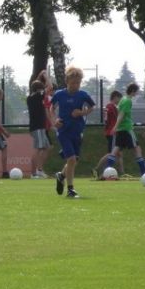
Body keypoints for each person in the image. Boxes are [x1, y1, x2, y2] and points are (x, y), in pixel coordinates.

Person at [50, 67, 95, 198]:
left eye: (78, 83)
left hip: (77, 131)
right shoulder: (59, 94)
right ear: (67, 81)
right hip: (64, 131)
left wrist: (81, 112)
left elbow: (92, 107)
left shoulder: (83, 95)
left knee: (74, 161)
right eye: (73, 82)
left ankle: (61, 176)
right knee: (71, 159)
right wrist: (54, 120)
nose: (76, 85)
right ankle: (70, 189)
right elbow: (51, 108)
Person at [105, 83, 145, 176]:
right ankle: (144, 171)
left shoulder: (123, 99)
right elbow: (121, 114)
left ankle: (107, 170)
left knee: (116, 148)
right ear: (133, 91)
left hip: (120, 129)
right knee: (137, 149)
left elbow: (119, 112)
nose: (137, 93)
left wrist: (116, 127)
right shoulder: (127, 101)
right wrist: (115, 127)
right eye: (137, 91)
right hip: (127, 128)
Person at [92, 91, 124, 179]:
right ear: (115, 97)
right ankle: (97, 169)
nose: (120, 101)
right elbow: (112, 119)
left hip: (111, 132)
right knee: (111, 153)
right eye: (119, 99)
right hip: (112, 132)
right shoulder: (111, 107)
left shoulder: (109, 107)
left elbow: (106, 119)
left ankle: (122, 173)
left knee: (119, 154)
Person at [27, 79, 50, 179]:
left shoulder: (30, 97)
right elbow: (50, 87)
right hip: (38, 127)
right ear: (38, 89)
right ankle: (34, 173)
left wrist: (40, 77)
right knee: (38, 148)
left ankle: (39, 170)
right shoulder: (38, 96)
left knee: (47, 148)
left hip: (38, 127)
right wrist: (45, 76)